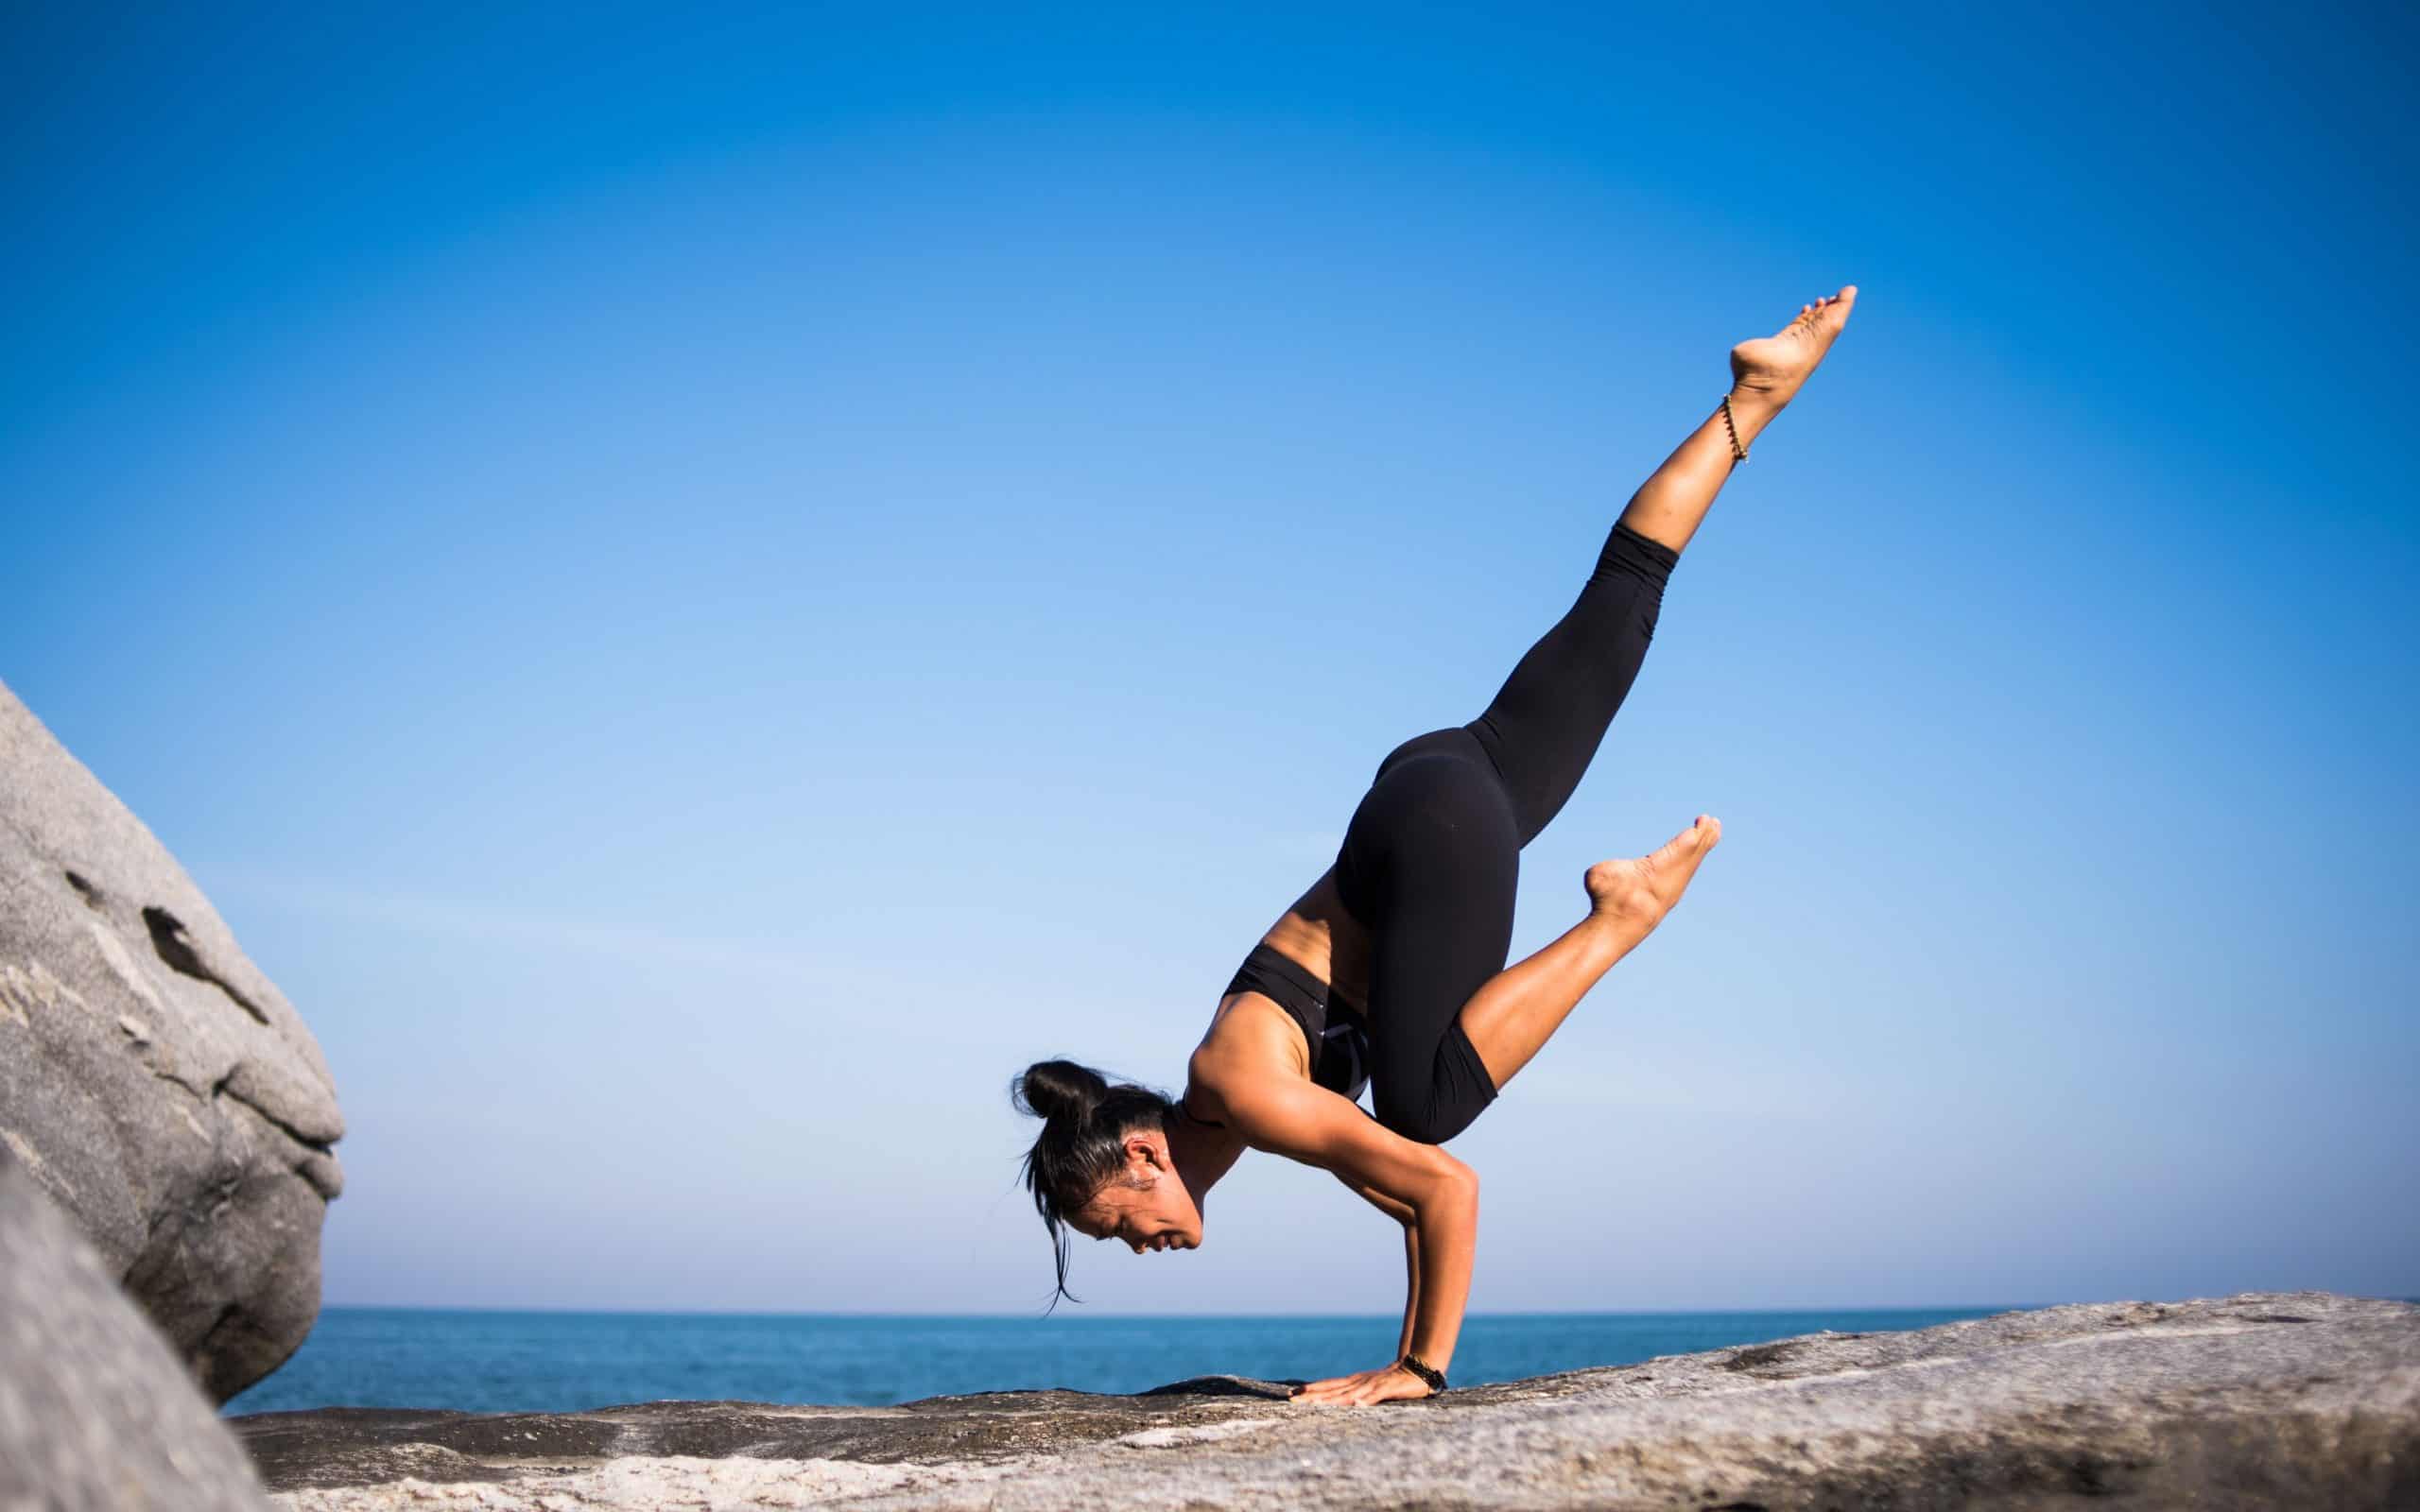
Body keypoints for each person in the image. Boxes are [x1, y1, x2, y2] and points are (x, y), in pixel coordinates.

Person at [1011, 287, 1859, 1406]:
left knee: (1425, 1105)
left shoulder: (1243, 1091)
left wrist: (1415, 1368)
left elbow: (1441, 1185)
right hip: (1436, 787)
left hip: (1434, 834)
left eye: (1117, 1226)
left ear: (1142, 1158)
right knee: (1619, 606)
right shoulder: (1236, 1101)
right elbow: (1400, 1196)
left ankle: (1619, 916)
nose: (1134, 1246)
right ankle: (1756, 396)